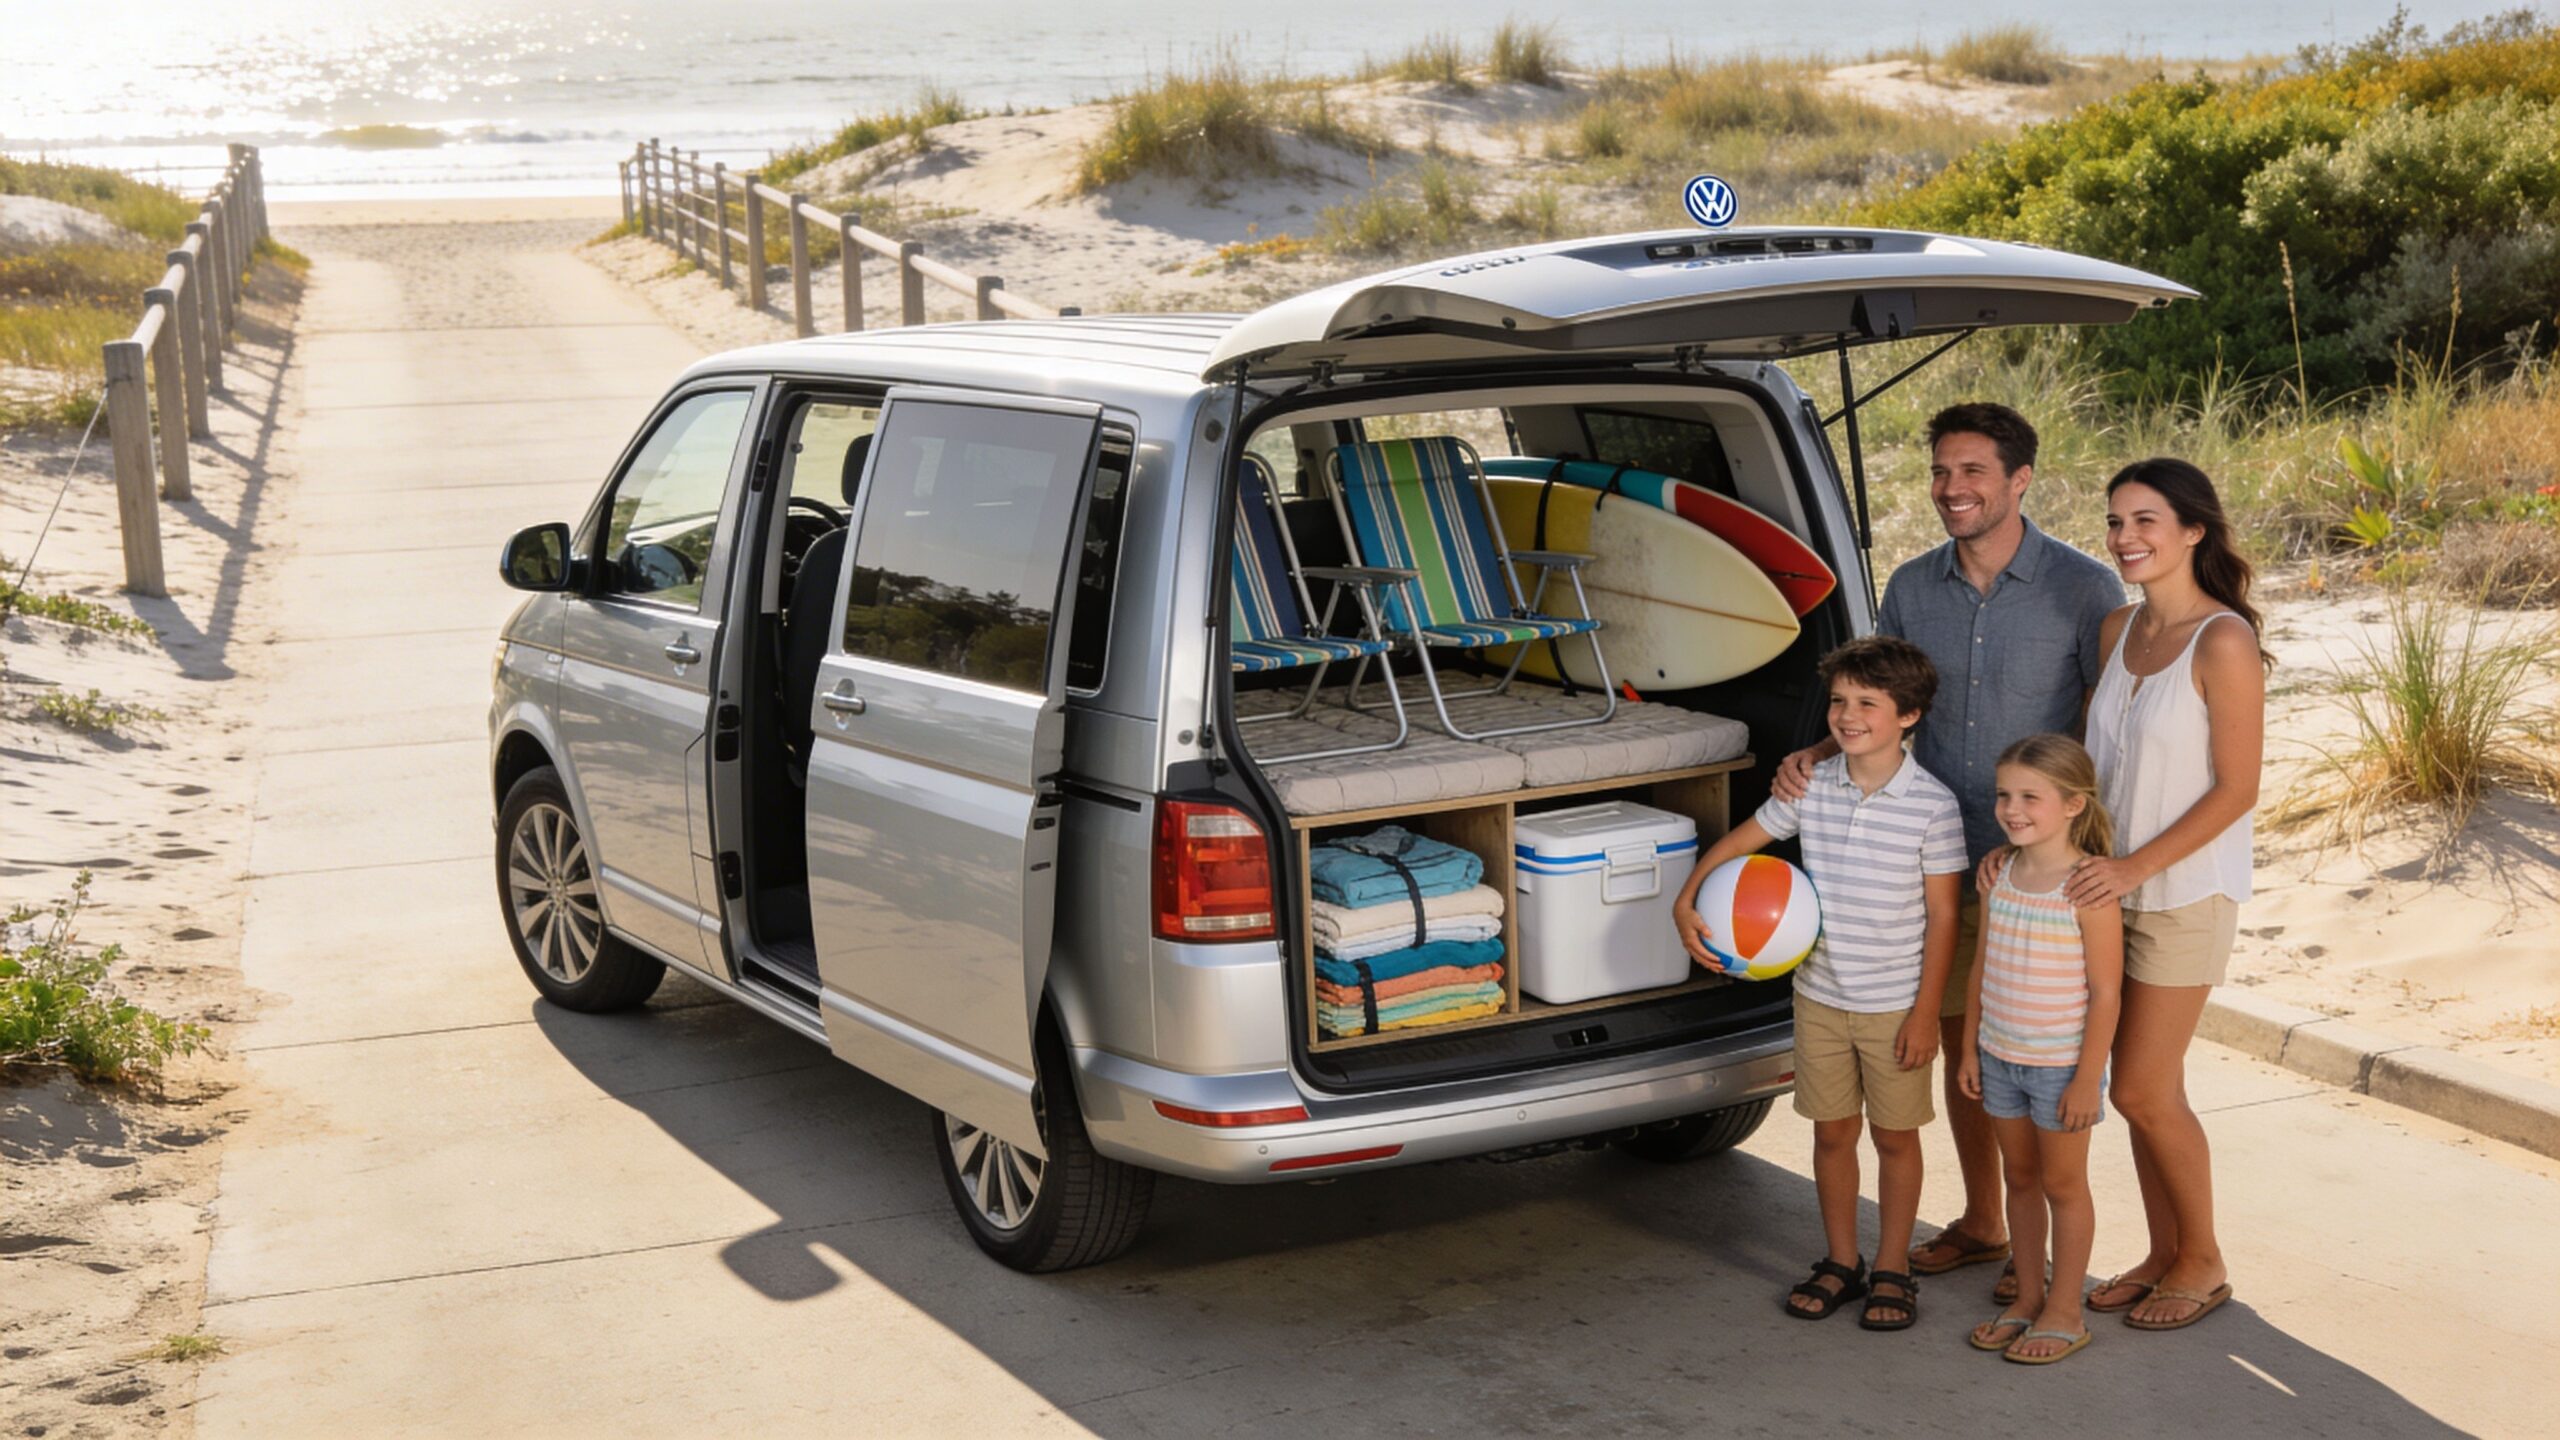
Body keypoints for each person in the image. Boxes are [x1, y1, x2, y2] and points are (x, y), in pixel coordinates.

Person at [1773, 403, 2123, 1303]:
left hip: (2030, 871)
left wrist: (2087, 846)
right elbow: (1880, 698)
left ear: (2019, 481)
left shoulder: (2084, 589)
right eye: (1941, 472)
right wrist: (1819, 751)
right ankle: (1982, 1223)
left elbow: (2103, 726)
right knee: (1969, 1055)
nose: (1953, 489)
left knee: (2030, 1053)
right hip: (1922, 855)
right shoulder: (1910, 585)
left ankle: (2038, 1248)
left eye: (1972, 472)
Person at [1676, 636, 1966, 1330]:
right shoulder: (1812, 789)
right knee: (1832, 1133)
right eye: (1838, 700)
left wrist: (1926, 1014)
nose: (1847, 714)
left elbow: (1945, 916)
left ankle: (1893, 1265)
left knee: (1896, 1137)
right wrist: (1688, 898)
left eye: (1868, 702)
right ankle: (1842, 1260)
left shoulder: (1932, 805)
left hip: (1894, 1006)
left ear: (1910, 715)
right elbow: (1741, 841)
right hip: (1821, 998)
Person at [2068, 458, 2264, 1332]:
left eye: (2146, 521)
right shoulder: (2117, 631)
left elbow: (2237, 788)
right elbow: (2093, 769)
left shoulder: (2224, 639)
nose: (2125, 539)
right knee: (2137, 1087)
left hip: (2183, 892)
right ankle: (2163, 1252)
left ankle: (2205, 1259)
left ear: (2193, 531)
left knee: (2143, 1089)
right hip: (2107, 889)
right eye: (2115, 522)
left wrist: (2133, 868)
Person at [1959, 735, 2124, 1366]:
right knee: (2019, 1179)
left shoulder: (2087, 889)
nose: (2012, 807)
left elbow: (2107, 993)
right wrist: (1973, 1050)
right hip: (2000, 1055)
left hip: (2061, 1066)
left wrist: (2088, 1078)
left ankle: (2066, 1309)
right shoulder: (1999, 873)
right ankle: (2027, 1297)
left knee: (2063, 1182)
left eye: (2031, 796)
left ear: (2074, 804)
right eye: (2004, 795)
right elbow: (1981, 968)